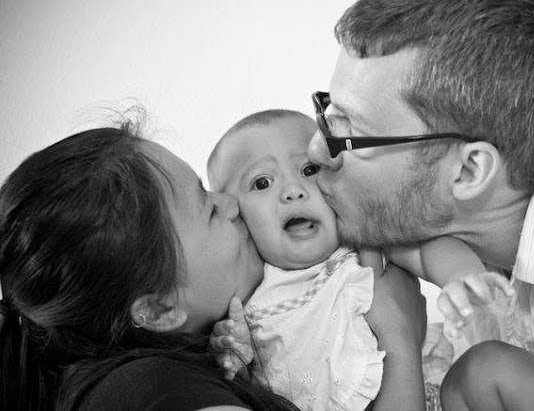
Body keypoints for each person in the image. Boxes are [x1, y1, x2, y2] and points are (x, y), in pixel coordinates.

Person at [305, 0, 534, 410]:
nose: (315, 150)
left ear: (468, 172)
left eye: (351, 129)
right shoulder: (432, 240)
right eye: (329, 113)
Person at [0, 110, 425, 411]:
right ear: (159, 309)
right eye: (207, 208)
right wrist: (399, 338)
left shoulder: (220, 347)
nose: (231, 205)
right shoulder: (152, 392)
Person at [207, 109, 514, 410]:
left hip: (428, 396)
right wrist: (233, 354)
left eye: (309, 170)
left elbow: (426, 248)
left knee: (491, 365)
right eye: (262, 183)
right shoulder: (247, 296)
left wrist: (461, 275)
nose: (293, 191)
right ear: (233, 213)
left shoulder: (362, 243)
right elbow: (249, 380)